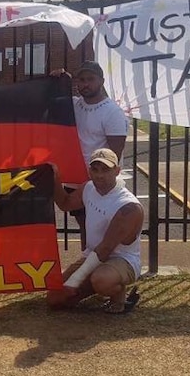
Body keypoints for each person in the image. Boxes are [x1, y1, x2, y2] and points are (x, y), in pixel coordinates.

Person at [47, 148, 143, 313]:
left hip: (122, 260)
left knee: (102, 280)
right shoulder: (88, 188)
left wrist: (76, 280)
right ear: (89, 170)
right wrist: (54, 177)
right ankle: (94, 285)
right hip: (92, 256)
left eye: (106, 169)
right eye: (95, 169)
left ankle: (118, 295)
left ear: (117, 171)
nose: (99, 175)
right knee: (55, 300)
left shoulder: (128, 206)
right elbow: (65, 204)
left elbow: (106, 248)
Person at [52, 60, 129, 251]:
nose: (85, 84)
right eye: (81, 80)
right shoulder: (74, 105)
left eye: (91, 79)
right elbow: (47, 100)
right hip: (74, 180)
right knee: (84, 225)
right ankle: (88, 264)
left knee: (100, 226)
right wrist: (55, 80)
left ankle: (102, 266)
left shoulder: (112, 112)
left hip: (98, 180)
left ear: (101, 81)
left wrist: (98, 179)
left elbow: (114, 155)